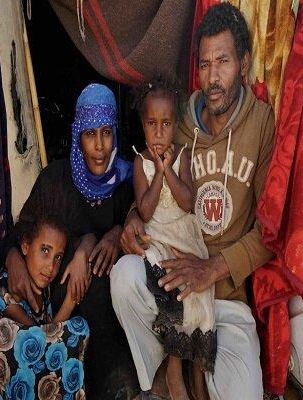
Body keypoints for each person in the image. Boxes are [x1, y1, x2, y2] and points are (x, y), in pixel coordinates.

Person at [110, 3, 275, 399]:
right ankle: (167, 371)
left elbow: (270, 231)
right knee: (124, 278)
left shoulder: (261, 123)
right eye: (204, 64)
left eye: (223, 61)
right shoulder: (179, 120)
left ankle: (197, 367)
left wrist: (211, 268)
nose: (212, 77)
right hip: (173, 279)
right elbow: (151, 171)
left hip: (226, 296)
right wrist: (133, 217)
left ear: (244, 63)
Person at [4, 83, 139, 398]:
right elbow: (18, 235)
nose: (100, 146)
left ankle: (120, 385)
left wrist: (116, 233)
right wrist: (13, 259)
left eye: (106, 133)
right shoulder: (55, 180)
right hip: (60, 309)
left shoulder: (125, 182)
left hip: (108, 314)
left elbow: (140, 225)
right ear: (78, 136)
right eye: (90, 134)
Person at [130, 77, 215, 400]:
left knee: (197, 295)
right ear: (143, 125)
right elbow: (145, 210)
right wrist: (156, 172)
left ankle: (197, 374)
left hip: (184, 234)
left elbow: (187, 201)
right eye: (152, 124)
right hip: (158, 235)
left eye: (165, 124)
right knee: (168, 284)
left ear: (175, 125)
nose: (158, 132)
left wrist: (168, 170)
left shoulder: (182, 155)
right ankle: (174, 369)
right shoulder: (140, 162)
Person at [0, 188, 89, 399]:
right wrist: (70, 302)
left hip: (43, 370)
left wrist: (81, 254)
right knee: (75, 330)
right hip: (16, 372)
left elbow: (50, 338)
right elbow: (37, 341)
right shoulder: (4, 286)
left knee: (73, 332)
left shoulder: (44, 287)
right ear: (25, 246)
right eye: (45, 250)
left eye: (58, 257)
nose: (50, 266)